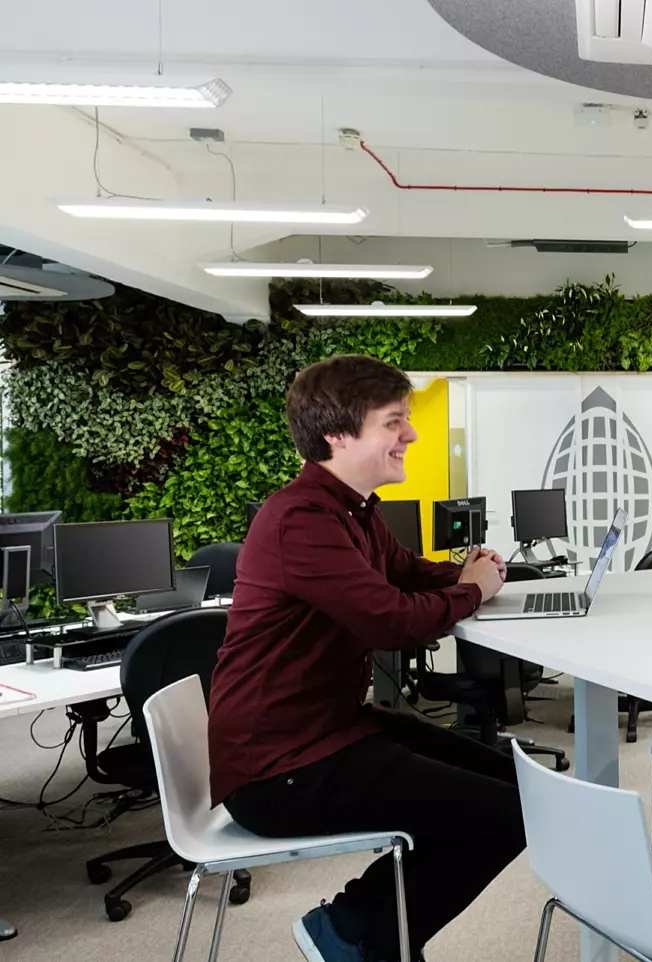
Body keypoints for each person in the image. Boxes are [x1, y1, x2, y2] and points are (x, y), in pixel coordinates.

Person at [208, 355, 522, 962]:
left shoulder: (351, 509)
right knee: (507, 814)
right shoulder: (301, 519)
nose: (410, 435)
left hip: (326, 733)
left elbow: (405, 573)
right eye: (394, 421)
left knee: (515, 787)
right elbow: (391, 619)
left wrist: (468, 572)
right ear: (338, 434)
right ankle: (364, 938)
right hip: (279, 768)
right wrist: (474, 589)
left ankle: (355, 925)